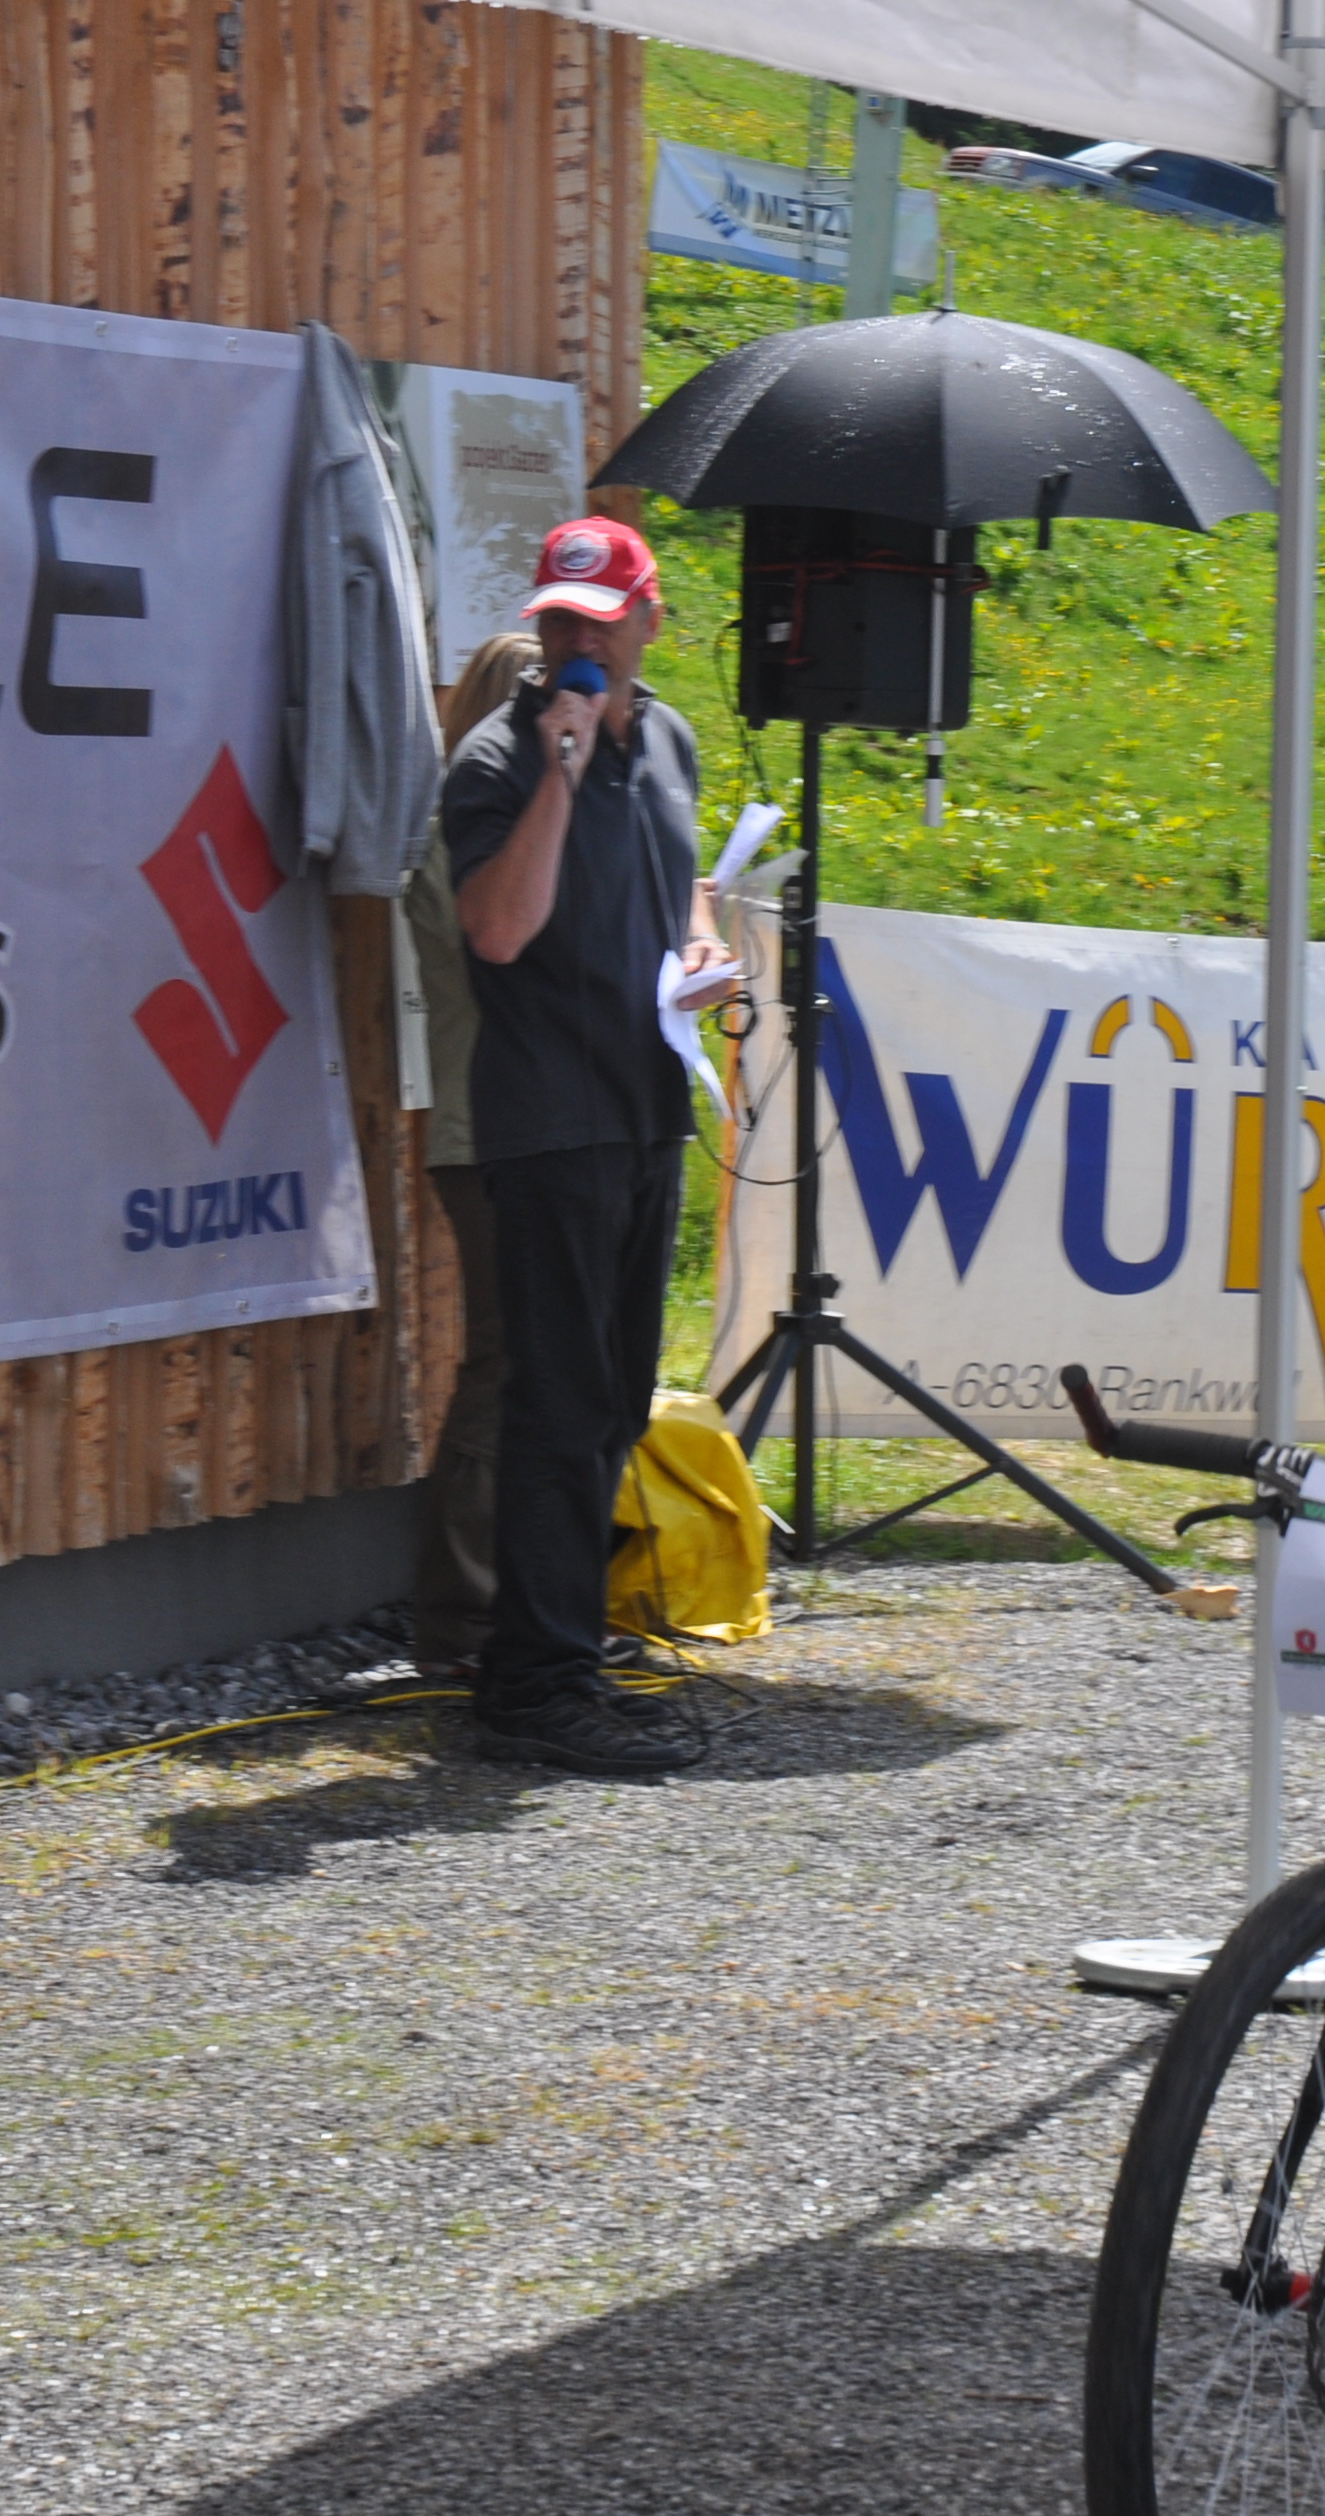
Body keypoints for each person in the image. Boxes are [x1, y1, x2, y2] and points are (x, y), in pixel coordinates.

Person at [437, 515, 722, 1776]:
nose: (576, 644)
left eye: (599, 623)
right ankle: (531, 1687)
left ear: (649, 620)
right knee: (555, 1402)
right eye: (558, 622)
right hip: (551, 1119)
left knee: (613, 1396)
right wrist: (557, 773)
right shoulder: (498, 759)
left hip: (646, 1101)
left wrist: (702, 944)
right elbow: (499, 930)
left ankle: (562, 1653)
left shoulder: (668, 738)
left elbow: (681, 877)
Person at [402, 630, 545, 1680]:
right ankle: (461, 1619)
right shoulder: (463, 831)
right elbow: (504, 953)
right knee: (503, 1367)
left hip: (521, 1123)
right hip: (487, 1128)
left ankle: (520, 1603)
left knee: (536, 1368)